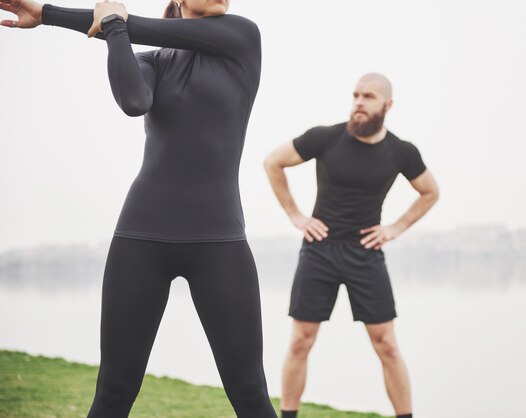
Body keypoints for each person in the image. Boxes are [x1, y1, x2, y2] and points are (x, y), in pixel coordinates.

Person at [0, 0, 277, 417]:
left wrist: (58, 14)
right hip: (140, 238)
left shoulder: (241, 37)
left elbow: (140, 26)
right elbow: (133, 101)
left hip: (220, 242)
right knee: (114, 389)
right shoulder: (149, 60)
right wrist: (113, 29)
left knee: (250, 392)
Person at [264, 73, 439, 418]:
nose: (359, 102)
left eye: (368, 96)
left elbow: (430, 191)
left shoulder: (402, 152)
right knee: (300, 340)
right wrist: (296, 215)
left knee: (387, 344)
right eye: (356, 95)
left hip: (365, 254)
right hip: (319, 249)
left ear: (387, 106)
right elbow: (273, 162)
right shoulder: (325, 138)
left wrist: (396, 228)